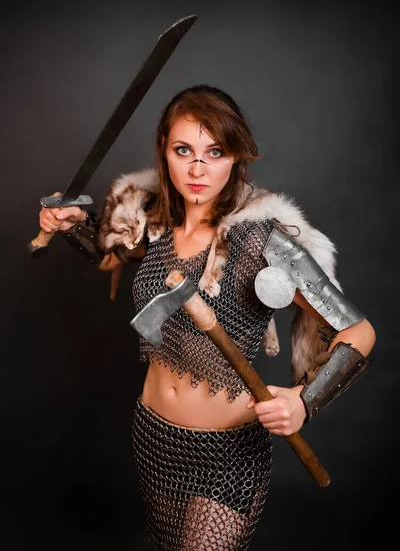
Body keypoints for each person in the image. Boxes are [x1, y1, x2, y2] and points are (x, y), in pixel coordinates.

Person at [39, 84, 376, 550]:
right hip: (154, 436)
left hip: (227, 454)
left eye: (214, 152)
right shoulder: (153, 219)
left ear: (235, 156)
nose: (197, 169)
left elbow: (358, 330)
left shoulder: (260, 239)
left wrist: (304, 399)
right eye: (184, 150)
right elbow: (108, 253)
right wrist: (71, 225)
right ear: (165, 151)